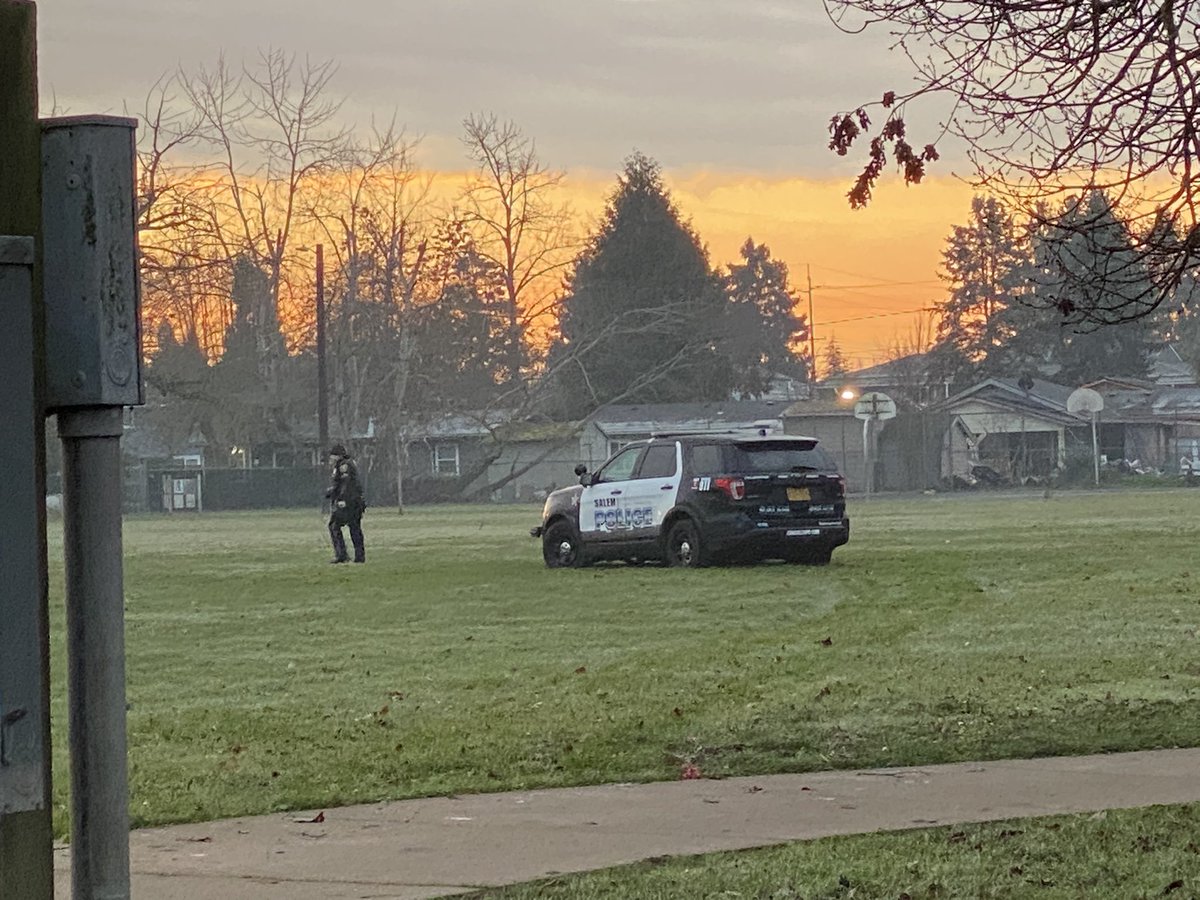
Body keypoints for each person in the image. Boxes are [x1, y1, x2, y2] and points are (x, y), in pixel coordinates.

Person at [325, 443, 366, 564]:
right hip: (355, 502)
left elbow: (346, 484)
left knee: (334, 525)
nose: (331, 459)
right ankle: (359, 557)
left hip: (349, 503)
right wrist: (332, 492)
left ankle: (342, 554)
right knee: (354, 528)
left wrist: (341, 498)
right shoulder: (347, 463)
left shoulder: (344, 466)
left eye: (332, 456)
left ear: (337, 456)